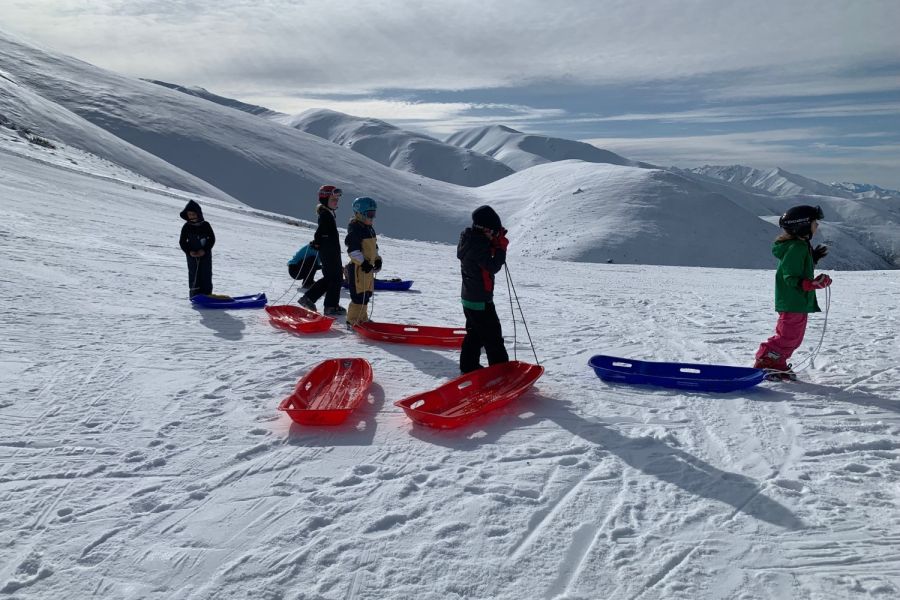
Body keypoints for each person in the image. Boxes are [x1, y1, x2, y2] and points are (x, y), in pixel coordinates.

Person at [753, 205, 832, 380]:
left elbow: (796, 268)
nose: (817, 225)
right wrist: (812, 284)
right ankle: (765, 360)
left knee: (794, 338)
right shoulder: (797, 247)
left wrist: (812, 260)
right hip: (792, 301)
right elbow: (790, 277)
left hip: (797, 301)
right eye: (814, 222)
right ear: (802, 226)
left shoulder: (800, 246)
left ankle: (777, 362)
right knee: (787, 337)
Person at [457, 205, 510, 374]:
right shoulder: (478, 245)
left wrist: (493, 242)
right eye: (492, 231)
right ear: (483, 229)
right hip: (480, 300)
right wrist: (501, 248)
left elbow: (483, 257)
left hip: (470, 297)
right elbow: (492, 266)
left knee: (475, 334)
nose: (493, 235)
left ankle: (468, 366)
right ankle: (501, 372)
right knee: (493, 337)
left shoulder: (470, 239)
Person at [298, 185, 346, 315]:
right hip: (328, 252)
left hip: (331, 251)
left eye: (337, 199)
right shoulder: (325, 215)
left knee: (332, 277)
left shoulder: (328, 213)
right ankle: (329, 305)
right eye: (333, 199)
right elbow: (320, 232)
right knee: (335, 278)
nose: (336, 201)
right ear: (325, 199)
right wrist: (318, 242)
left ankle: (313, 300)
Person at [344, 197, 381, 326]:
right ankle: (352, 321)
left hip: (367, 269)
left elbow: (374, 248)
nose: (372, 217)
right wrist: (363, 263)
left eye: (374, 214)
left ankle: (362, 318)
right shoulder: (355, 229)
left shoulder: (369, 228)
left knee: (366, 294)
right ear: (359, 214)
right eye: (369, 214)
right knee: (358, 296)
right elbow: (353, 251)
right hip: (358, 269)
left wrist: (377, 260)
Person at [178, 200, 215, 297]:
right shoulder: (186, 227)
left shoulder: (205, 225)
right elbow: (182, 241)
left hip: (205, 255)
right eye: (189, 214)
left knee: (206, 273)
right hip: (192, 255)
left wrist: (204, 250)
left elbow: (212, 239)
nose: (192, 216)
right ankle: (194, 295)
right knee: (193, 274)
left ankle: (207, 295)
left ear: (198, 214)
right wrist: (189, 251)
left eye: (193, 214)